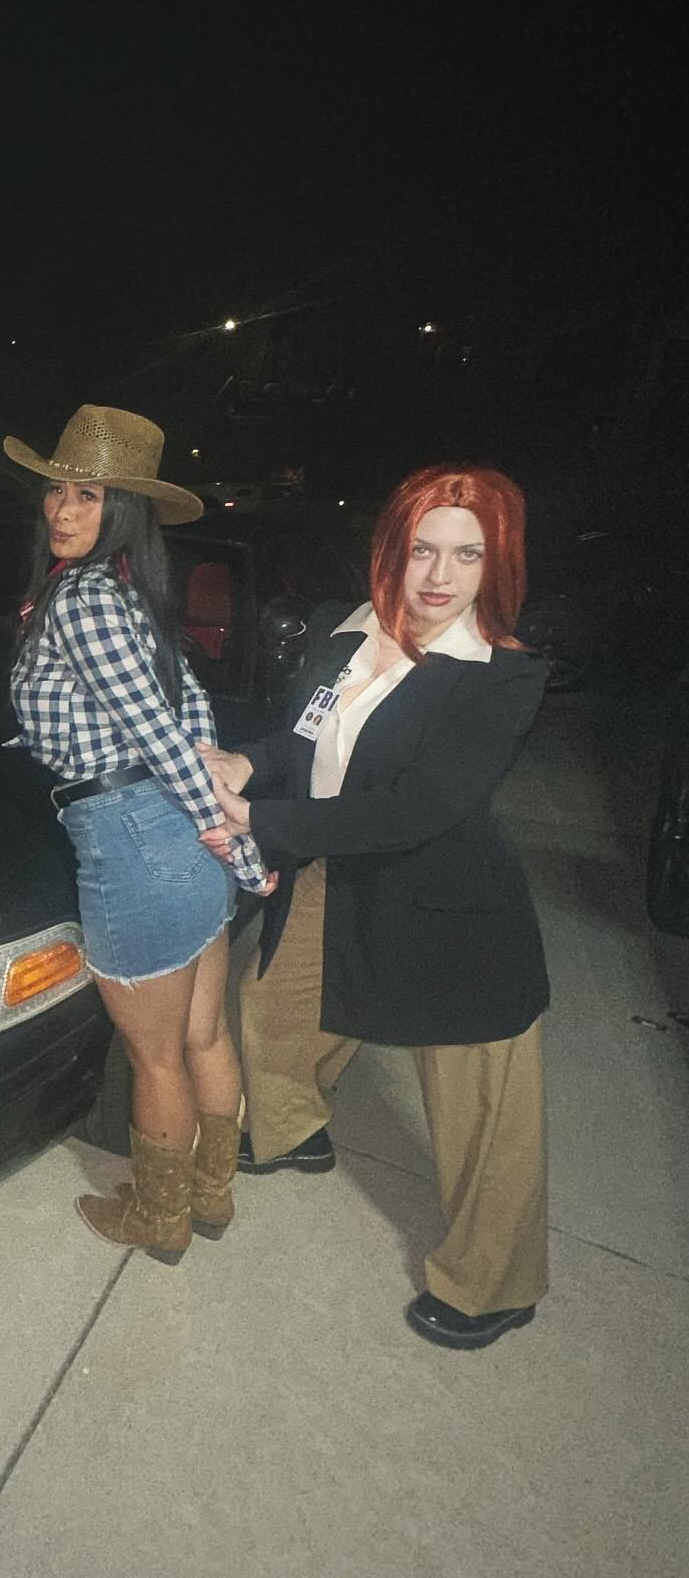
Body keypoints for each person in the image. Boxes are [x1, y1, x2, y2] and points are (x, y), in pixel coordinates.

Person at [201, 464, 550, 1350]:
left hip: (450, 910)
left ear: (497, 564)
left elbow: (417, 809)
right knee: (274, 1002)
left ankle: (494, 1283)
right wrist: (249, 763)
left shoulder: (500, 676)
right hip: (336, 862)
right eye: (423, 549)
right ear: (392, 548)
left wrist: (259, 820)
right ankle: (290, 1131)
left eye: (467, 555)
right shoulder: (349, 629)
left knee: (482, 1111)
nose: (439, 576)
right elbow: (306, 736)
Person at [3, 404, 277, 1264]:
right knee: (205, 1035)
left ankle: (160, 1218)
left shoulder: (83, 601)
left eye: (87, 495)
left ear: (122, 510)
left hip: (134, 840)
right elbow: (194, 717)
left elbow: (161, 736)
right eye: (57, 490)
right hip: (178, 842)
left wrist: (234, 842)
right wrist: (224, 836)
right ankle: (211, 1195)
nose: (61, 509)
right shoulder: (129, 594)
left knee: (156, 1060)